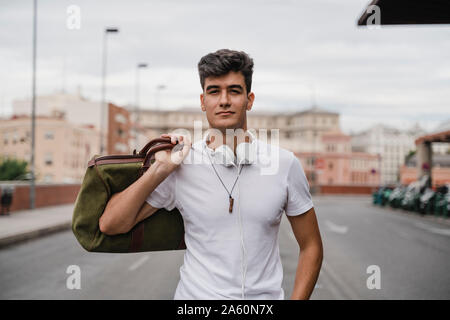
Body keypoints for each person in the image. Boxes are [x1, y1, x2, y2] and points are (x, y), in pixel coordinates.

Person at [99, 49, 323, 300]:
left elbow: (311, 245)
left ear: (249, 100)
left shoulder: (284, 164)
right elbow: (111, 224)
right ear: (203, 101)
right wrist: (160, 170)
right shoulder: (181, 165)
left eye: (234, 91)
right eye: (214, 91)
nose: (224, 100)